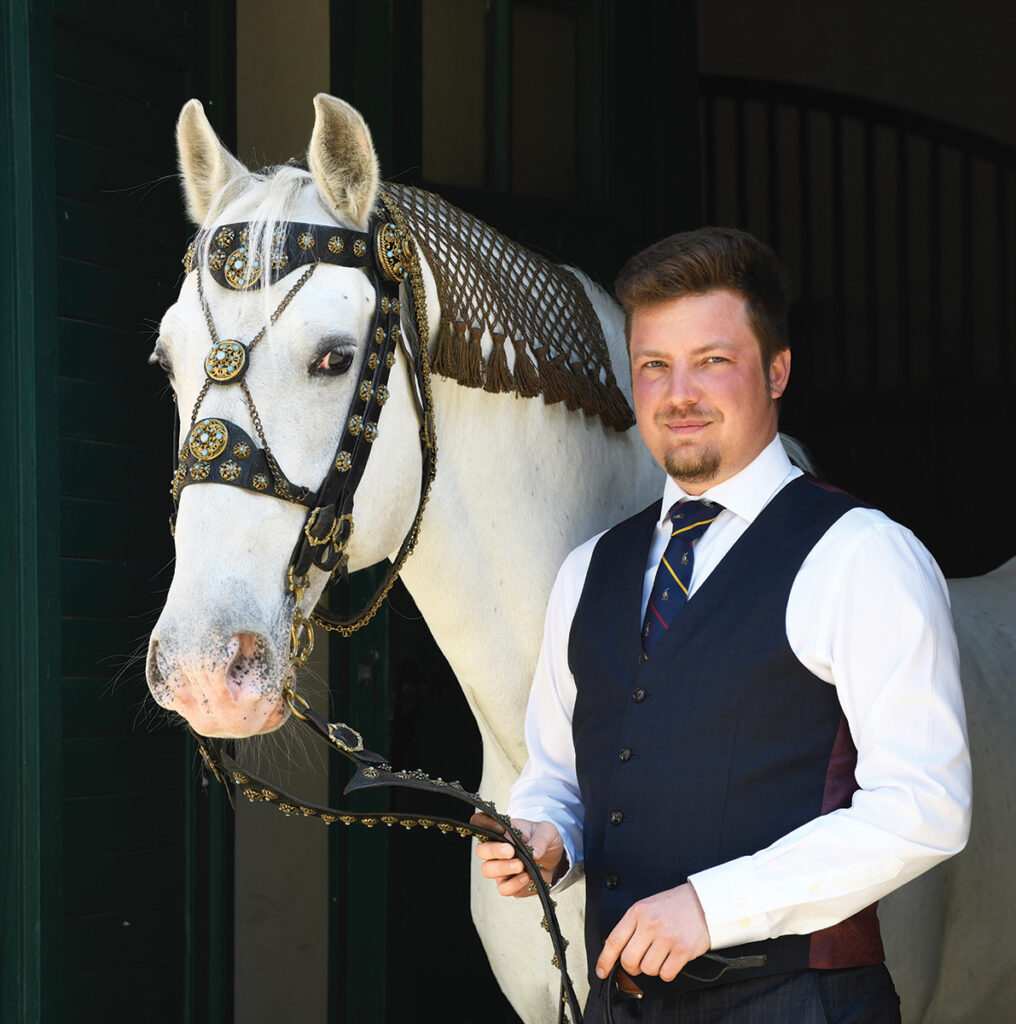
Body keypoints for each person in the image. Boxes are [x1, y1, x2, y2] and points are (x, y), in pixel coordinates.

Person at [473, 227, 971, 1023]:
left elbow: (925, 807)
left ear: (777, 371)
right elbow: (559, 772)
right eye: (654, 366)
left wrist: (712, 907)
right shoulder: (588, 571)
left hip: (801, 1003)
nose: (679, 394)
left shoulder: (862, 555)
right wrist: (547, 834)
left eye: (712, 361)